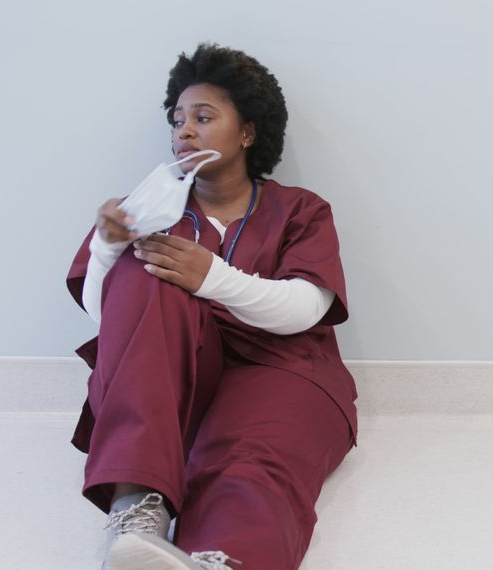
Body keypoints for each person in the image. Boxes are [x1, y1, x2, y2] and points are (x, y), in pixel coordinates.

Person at [65, 43, 358, 570]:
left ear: (247, 132)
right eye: (177, 120)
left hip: (281, 369)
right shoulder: (149, 211)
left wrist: (212, 278)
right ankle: (139, 507)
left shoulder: (300, 209)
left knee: (248, 459)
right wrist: (110, 246)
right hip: (173, 381)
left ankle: (224, 562)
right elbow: (111, 323)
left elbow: (307, 307)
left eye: (203, 117)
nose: (184, 131)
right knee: (141, 266)